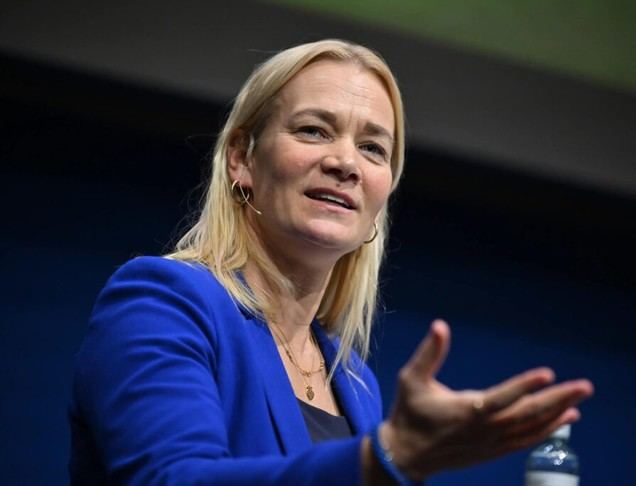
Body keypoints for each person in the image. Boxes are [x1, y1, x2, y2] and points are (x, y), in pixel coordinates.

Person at [69, 39, 593, 485]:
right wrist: (388, 456)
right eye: (314, 130)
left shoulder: (355, 383)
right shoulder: (162, 302)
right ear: (242, 158)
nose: (345, 163)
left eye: (373, 148)